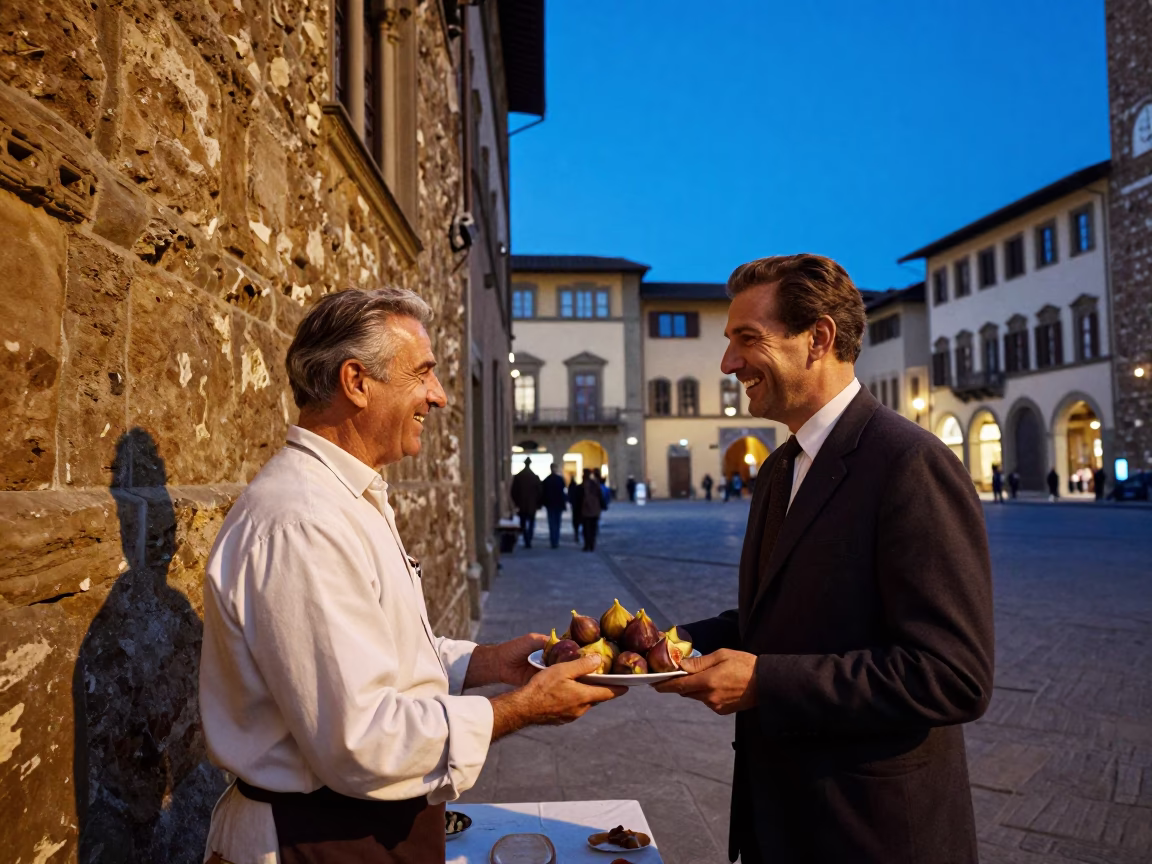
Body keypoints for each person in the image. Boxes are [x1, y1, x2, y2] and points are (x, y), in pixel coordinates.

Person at [198, 288, 625, 864]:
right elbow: (360, 740)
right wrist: (519, 708)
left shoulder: (345, 499)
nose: (440, 396)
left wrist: (486, 662)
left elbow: (374, 653)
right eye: (423, 373)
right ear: (356, 382)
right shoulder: (304, 521)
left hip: (357, 829)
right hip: (318, 839)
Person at [654, 255, 993, 864]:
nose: (728, 363)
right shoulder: (779, 467)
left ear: (819, 339)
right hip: (781, 825)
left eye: (746, 340)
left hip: (872, 834)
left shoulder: (910, 464)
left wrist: (764, 683)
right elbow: (775, 617)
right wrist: (656, 645)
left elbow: (951, 676)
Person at [511, 458, 543, 548]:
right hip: (531, 505)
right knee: (531, 522)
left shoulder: (519, 476)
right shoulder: (534, 477)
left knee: (523, 523)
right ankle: (529, 538)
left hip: (522, 505)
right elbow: (540, 491)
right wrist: (538, 503)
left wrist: (516, 502)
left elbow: (513, 491)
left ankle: (526, 539)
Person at [541, 462, 568, 549]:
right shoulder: (559, 479)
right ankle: (555, 540)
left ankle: (553, 540)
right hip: (557, 504)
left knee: (552, 522)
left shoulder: (547, 480)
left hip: (550, 504)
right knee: (557, 522)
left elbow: (544, 493)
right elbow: (562, 492)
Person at [581, 468, 603, 552]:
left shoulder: (583, 485)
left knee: (586, 528)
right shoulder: (595, 484)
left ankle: (587, 545)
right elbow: (600, 496)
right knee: (593, 528)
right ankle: (592, 544)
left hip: (586, 509)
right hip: (595, 509)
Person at [568, 473, 584, 543]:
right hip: (578, 507)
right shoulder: (578, 487)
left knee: (577, 523)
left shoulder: (577, 487)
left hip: (577, 507)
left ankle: (577, 534)